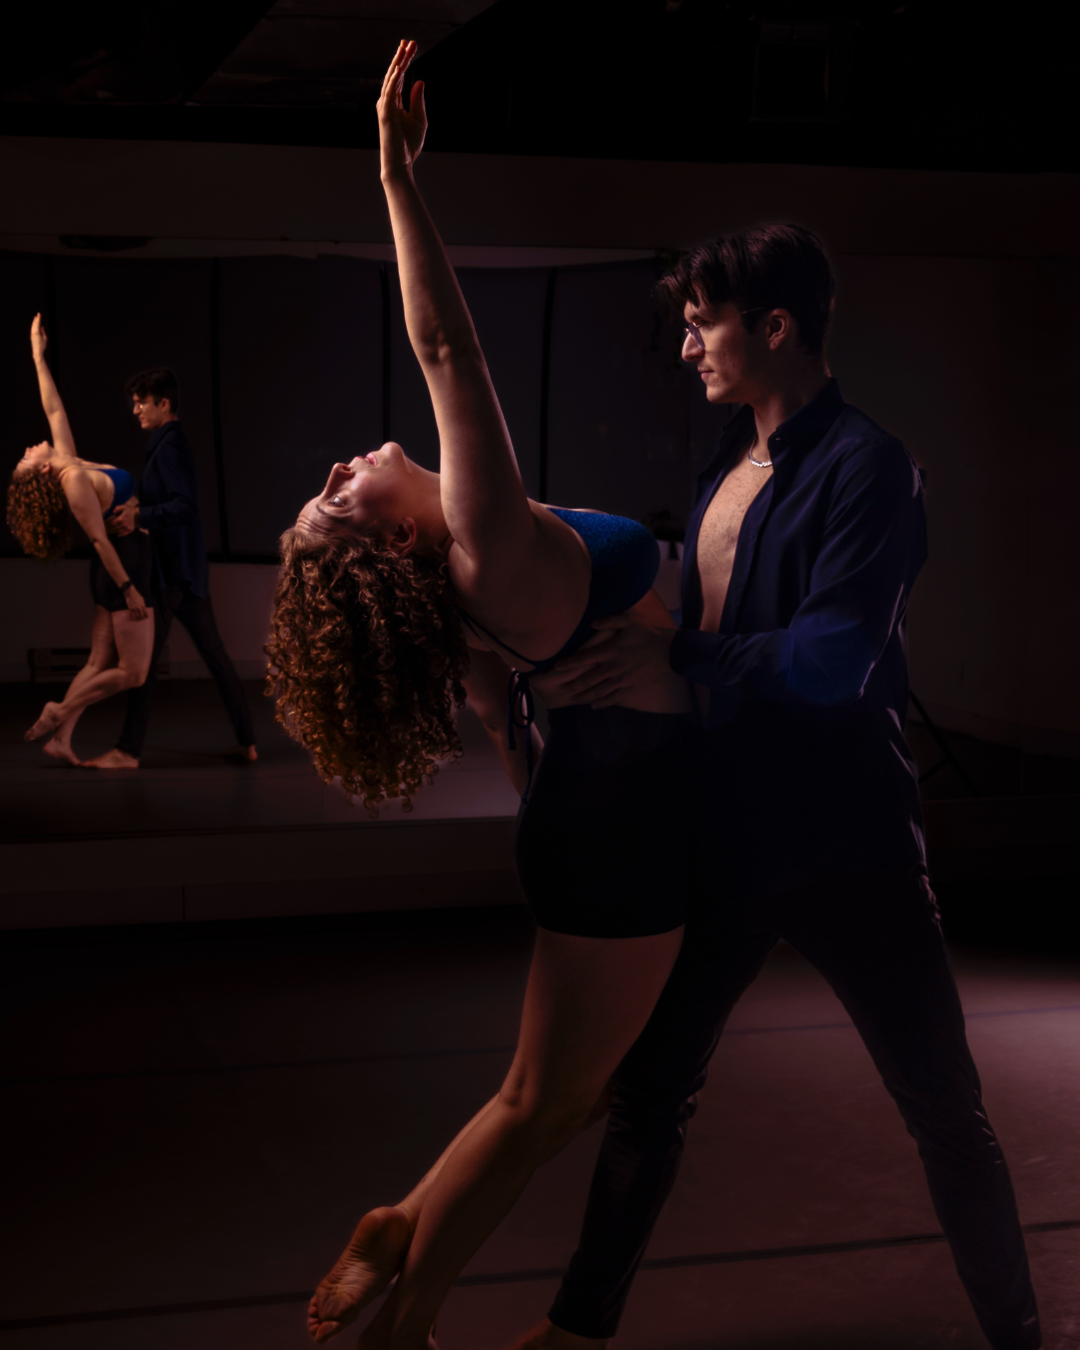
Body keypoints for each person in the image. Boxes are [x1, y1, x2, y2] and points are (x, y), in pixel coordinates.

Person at [502, 231, 1042, 1350]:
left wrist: (680, 656)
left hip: (850, 847)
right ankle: (575, 1332)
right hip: (730, 835)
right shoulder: (722, 468)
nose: (687, 345)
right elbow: (708, 632)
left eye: (704, 322)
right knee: (649, 1096)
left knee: (945, 1112)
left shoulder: (869, 466)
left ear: (777, 326)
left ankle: (1021, 1337)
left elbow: (832, 660)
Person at [264, 43, 694, 1349]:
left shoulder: (466, 589)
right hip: (624, 823)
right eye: (338, 498)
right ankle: (408, 1319)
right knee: (542, 1107)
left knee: (545, 1093)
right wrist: (397, 179)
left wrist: (572, 768)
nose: (341, 466)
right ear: (394, 539)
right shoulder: (484, 548)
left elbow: (512, 724)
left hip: (590, 808)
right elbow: (445, 342)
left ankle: (401, 1224)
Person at [83, 366, 257, 768]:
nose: (135, 410)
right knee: (215, 657)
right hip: (186, 574)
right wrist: (138, 509)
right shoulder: (165, 443)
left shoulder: (171, 446)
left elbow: (184, 507)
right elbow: (170, 503)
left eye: (141, 403)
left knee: (141, 663)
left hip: (172, 576)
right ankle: (248, 742)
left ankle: (127, 751)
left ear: (164, 404)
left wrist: (140, 515)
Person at [8, 314, 153, 763]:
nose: (28, 448)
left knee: (96, 662)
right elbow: (100, 541)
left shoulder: (68, 462)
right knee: (133, 672)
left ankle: (60, 739)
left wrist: (37, 354)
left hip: (115, 566)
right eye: (25, 459)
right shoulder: (72, 482)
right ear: (43, 472)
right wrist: (129, 588)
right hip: (119, 566)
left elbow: (54, 410)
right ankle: (59, 710)